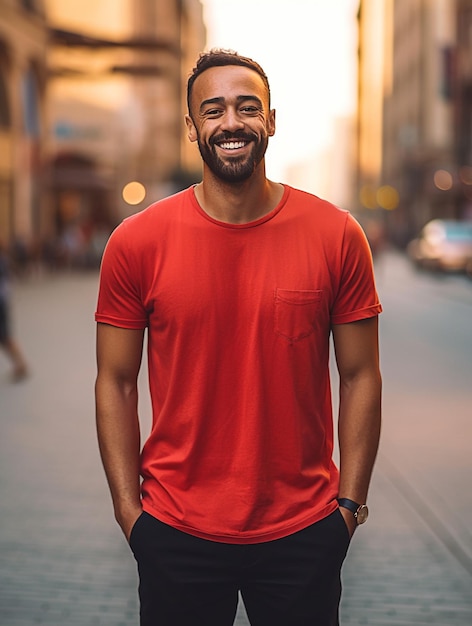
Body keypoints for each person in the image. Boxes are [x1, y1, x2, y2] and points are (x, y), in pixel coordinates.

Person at [95, 49, 382, 626]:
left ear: (271, 121)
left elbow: (361, 375)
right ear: (193, 126)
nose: (232, 122)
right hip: (175, 530)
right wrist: (132, 515)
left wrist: (347, 508)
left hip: (303, 530)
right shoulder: (136, 243)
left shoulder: (338, 235)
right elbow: (115, 383)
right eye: (214, 109)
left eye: (248, 108)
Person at [0, 240, 28, 382]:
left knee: (5, 337)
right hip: (3, 300)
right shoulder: (4, 259)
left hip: (1, 303)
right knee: (5, 337)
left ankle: (21, 364)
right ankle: (20, 364)